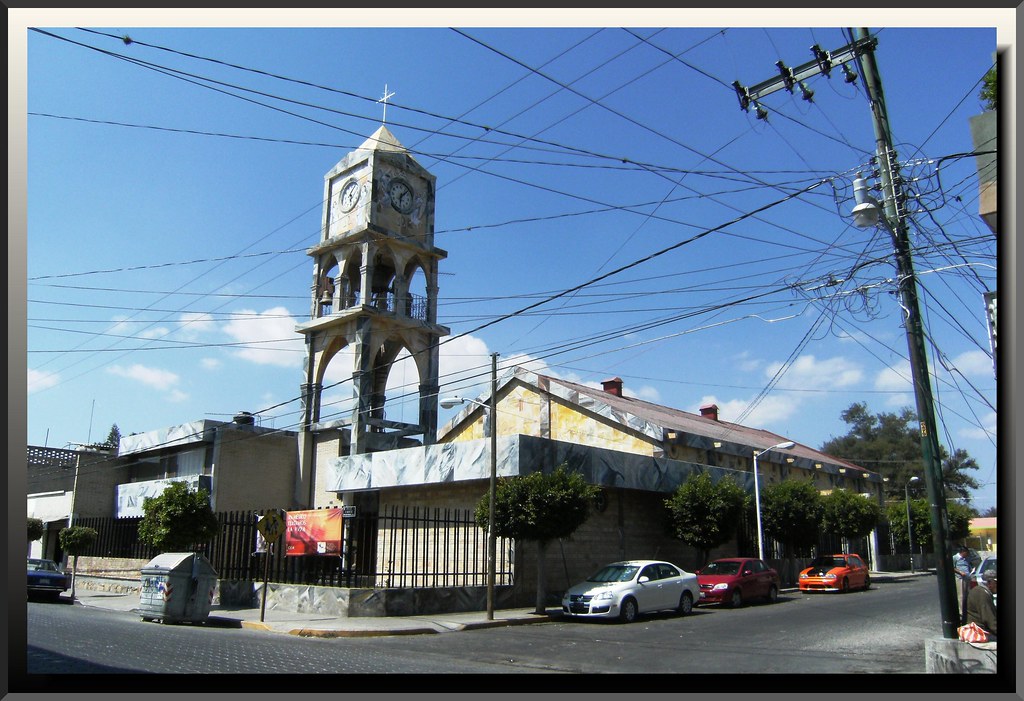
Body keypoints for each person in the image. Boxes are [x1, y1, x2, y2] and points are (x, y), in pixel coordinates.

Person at [965, 570, 997, 640]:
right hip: (980, 631)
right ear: (989, 582)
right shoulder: (982, 594)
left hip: (982, 629)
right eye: (996, 583)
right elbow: (990, 620)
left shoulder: (981, 591)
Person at [952, 545, 973, 624]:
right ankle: (961, 613)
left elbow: (968, 566)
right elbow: (952, 567)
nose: (967, 554)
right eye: (966, 553)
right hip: (960, 578)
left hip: (967, 578)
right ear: (962, 552)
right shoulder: (955, 558)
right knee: (961, 595)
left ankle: (967, 610)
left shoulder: (966, 559)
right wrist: (960, 572)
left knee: (967, 595)